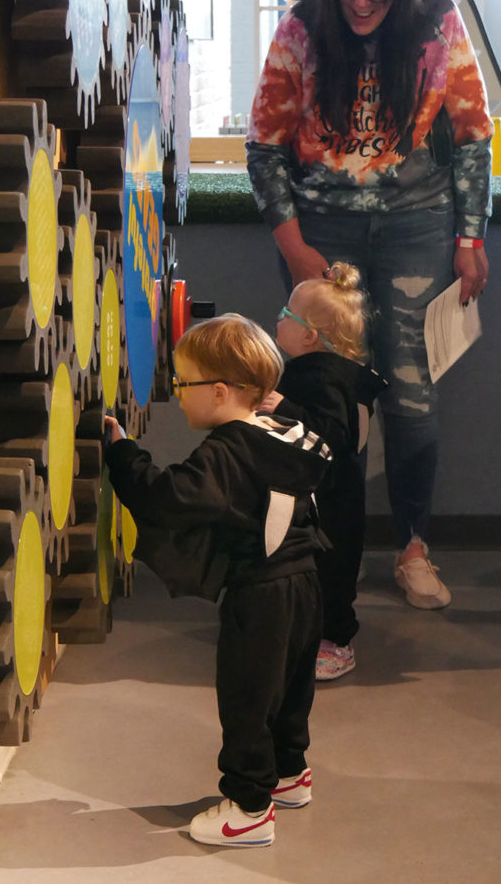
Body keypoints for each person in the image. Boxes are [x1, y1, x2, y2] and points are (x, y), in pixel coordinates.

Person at [246, 0, 493, 611]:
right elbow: (263, 146)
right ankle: (333, 553)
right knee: (328, 397)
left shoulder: (438, 21)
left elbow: (473, 137)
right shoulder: (300, 26)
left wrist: (470, 236)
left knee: (411, 395)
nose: (361, 2)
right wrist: (293, 247)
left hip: (418, 223)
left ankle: (413, 546)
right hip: (321, 228)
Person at [104, 314, 331, 847]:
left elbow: (171, 498)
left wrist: (122, 454)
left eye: (183, 385)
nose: (179, 396)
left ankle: (249, 808)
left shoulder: (229, 449)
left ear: (222, 390)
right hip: (306, 581)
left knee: (247, 696)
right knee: (293, 686)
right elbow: (325, 457)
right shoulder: (284, 430)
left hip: (261, 591)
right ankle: (288, 774)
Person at [259, 261, 387, 680]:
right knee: (308, 567)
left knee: (331, 571)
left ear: (310, 336)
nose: (279, 317)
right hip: (320, 496)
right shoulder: (317, 373)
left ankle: (336, 640)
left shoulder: (322, 378)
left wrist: (285, 409)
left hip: (332, 502)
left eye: (287, 313)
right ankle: (309, 630)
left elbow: (332, 436)